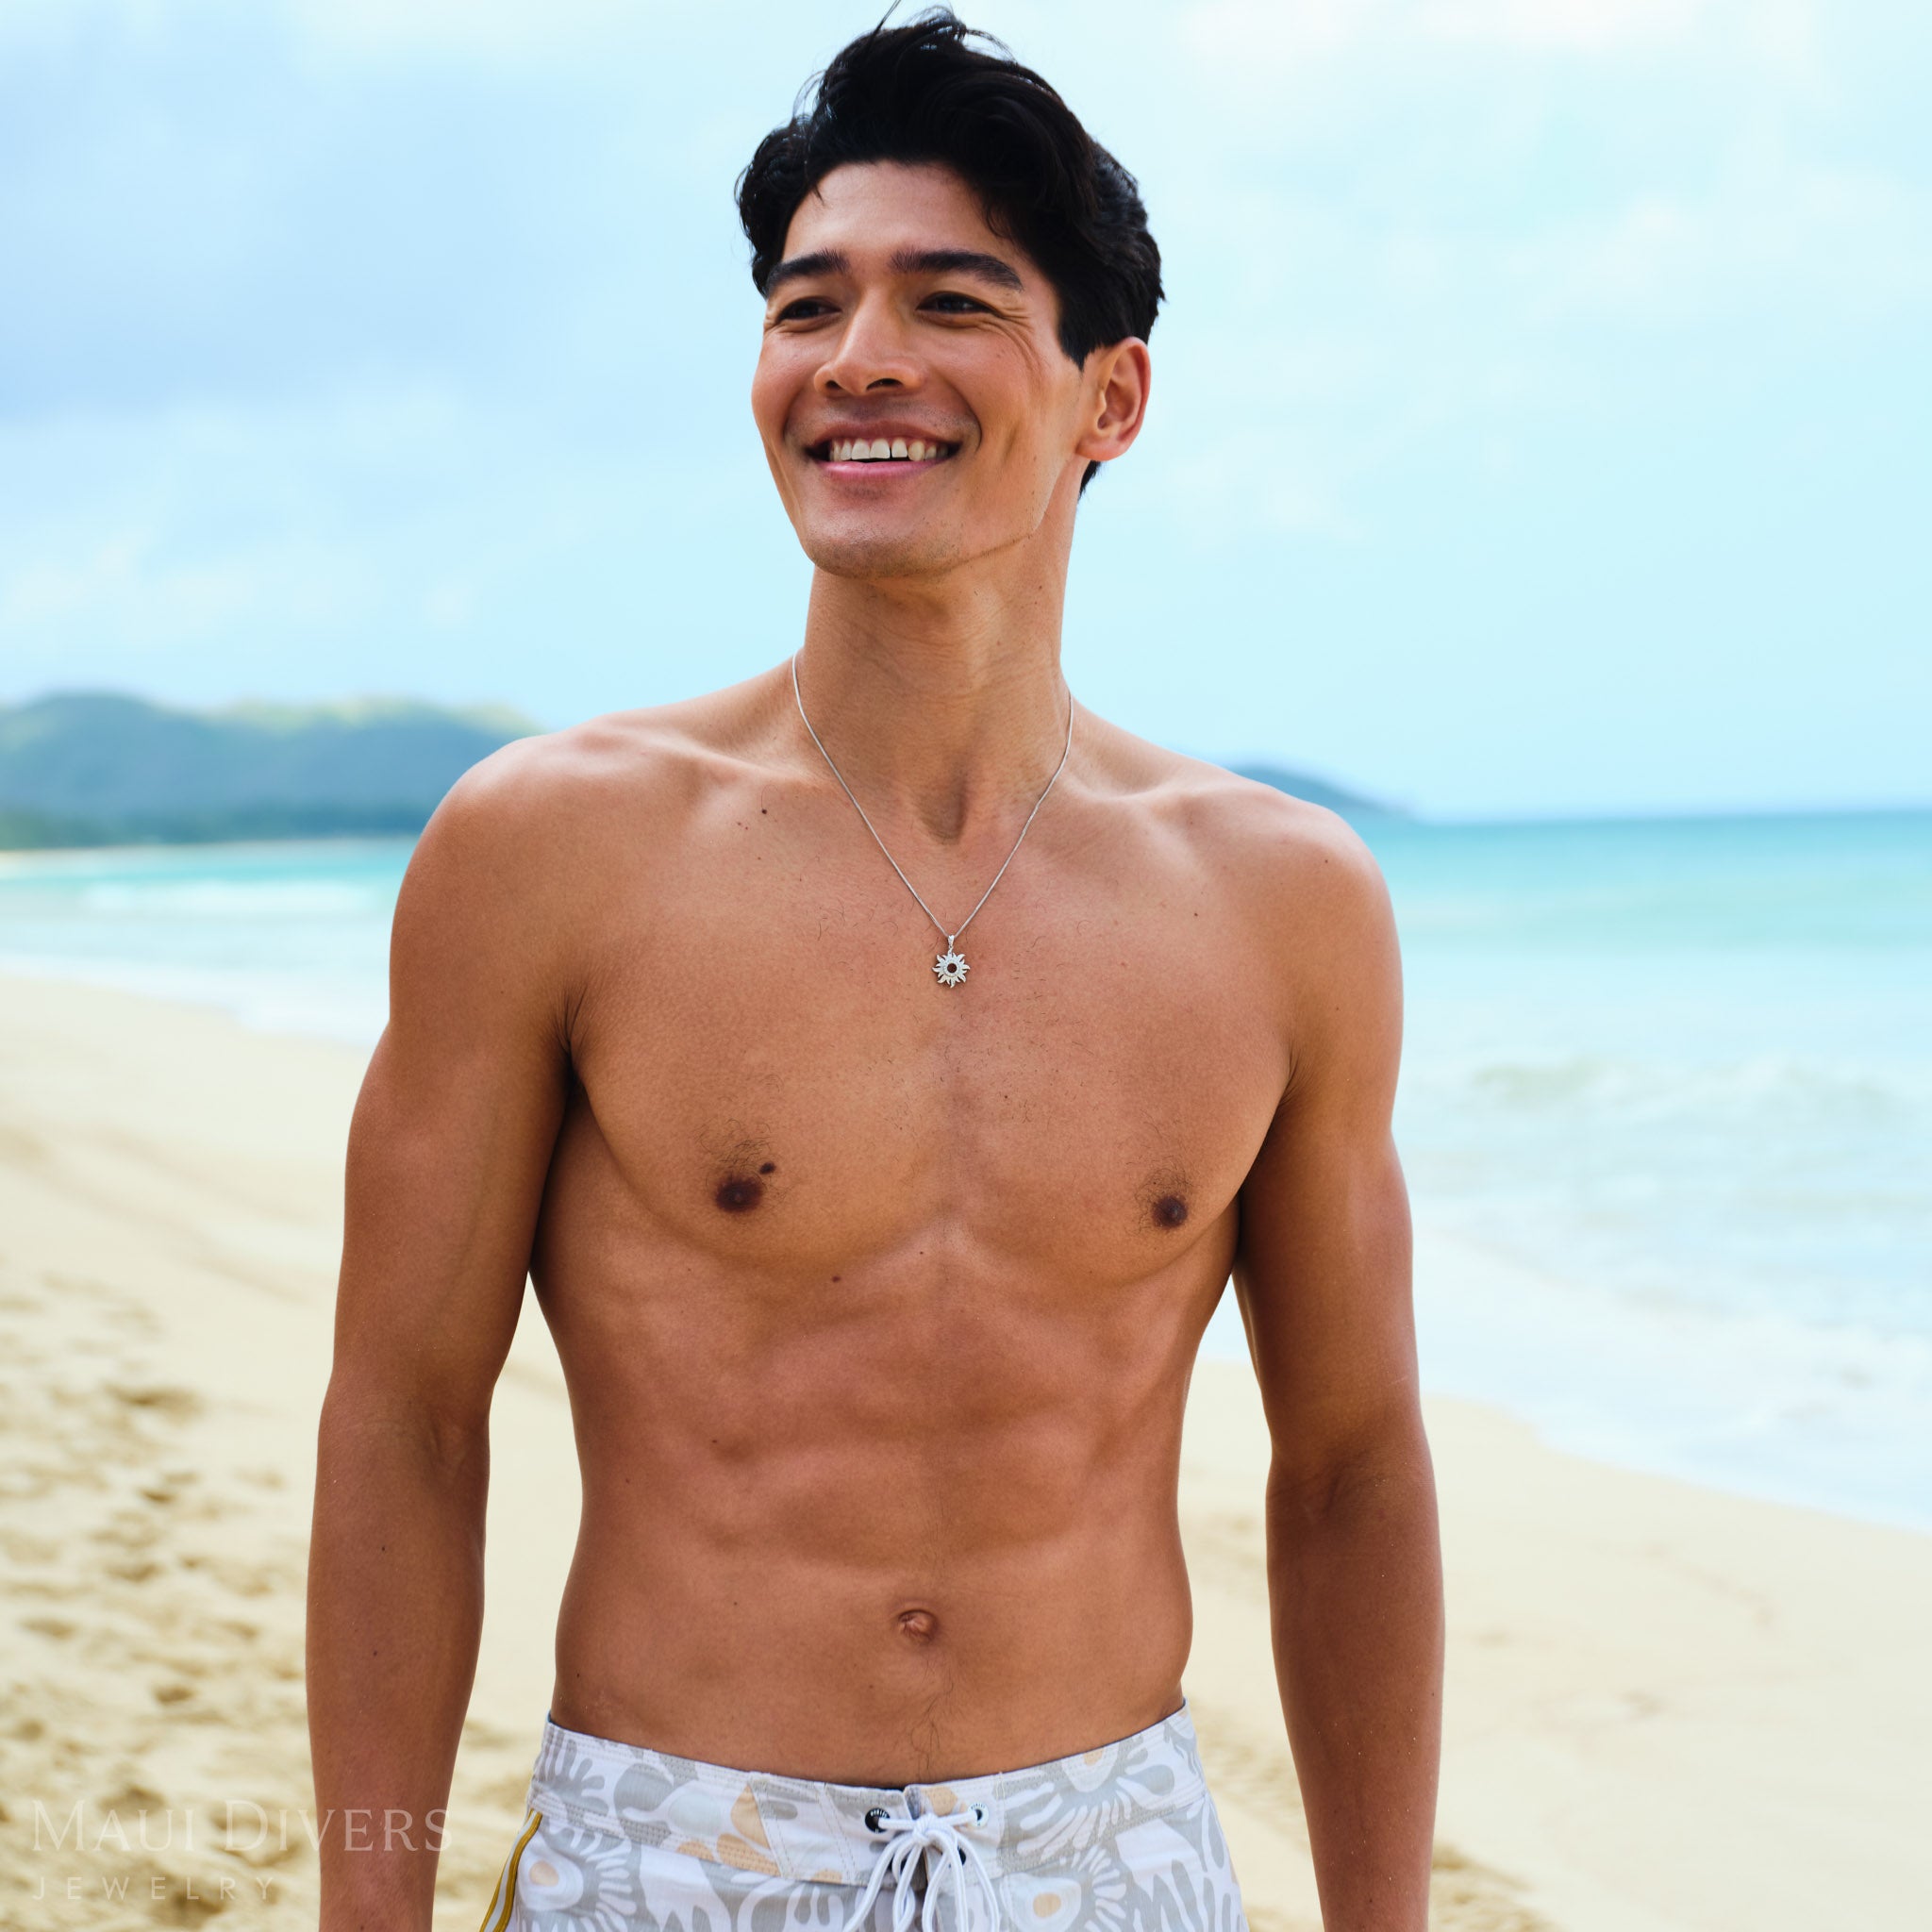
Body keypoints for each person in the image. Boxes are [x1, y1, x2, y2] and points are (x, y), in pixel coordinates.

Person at [306, 11, 1442, 1931]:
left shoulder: (1278, 900)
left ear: (1110, 399)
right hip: (673, 1847)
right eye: (806, 303)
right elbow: (405, 1419)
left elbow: (1348, 1468)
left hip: (1114, 1856)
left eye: (950, 301)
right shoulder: (552, 849)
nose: (857, 364)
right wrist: (368, 1911)